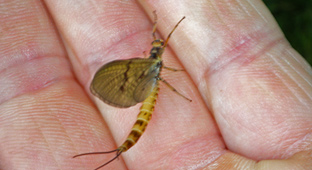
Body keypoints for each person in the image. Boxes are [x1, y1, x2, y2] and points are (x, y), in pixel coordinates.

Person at [0, 1, 311, 169]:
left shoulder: (152, 62)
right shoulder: (154, 64)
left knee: (146, 107)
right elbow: (159, 47)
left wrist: (159, 26)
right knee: (146, 109)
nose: (157, 47)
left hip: (148, 85)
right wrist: (166, 27)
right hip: (149, 87)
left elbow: (156, 46)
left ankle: (120, 148)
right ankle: (121, 148)